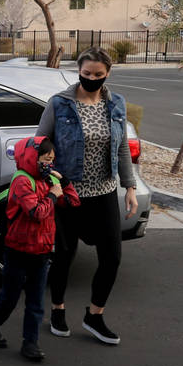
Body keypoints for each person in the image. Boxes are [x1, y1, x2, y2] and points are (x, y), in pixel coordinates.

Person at [36, 46, 138, 344]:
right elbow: (41, 144)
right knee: (64, 256)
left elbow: (120, 148)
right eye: (86, 74)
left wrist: (129, 187)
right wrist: (50, 180)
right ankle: (57, 309)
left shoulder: (116, 103)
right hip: (68, 193)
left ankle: (94, 315)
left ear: (107, 74)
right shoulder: (60, 104)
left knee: (112, 257)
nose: (91, 79)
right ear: (78, 71)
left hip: (104, 192)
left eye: (98, 75)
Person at [0, 136, 79, 361]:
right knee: (10, 296)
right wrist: (53, 194)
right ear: (32, 157)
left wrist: (64, 182)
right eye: (45, 159)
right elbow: (36, 213)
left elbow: (73, 203)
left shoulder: (49, 178)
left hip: (41, 251)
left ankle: (30, 344)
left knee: (35, 301)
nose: (49, 164)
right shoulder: (21, 180)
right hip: (18, 249)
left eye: (52, 160)